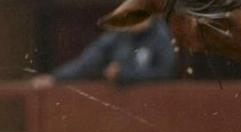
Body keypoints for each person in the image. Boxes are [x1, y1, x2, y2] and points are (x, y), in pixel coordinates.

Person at [32, 18, 177, 87]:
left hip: (155, 105)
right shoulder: (118, 36)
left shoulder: (160, 37)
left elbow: (165, 72)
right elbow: (87, 62)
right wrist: (57, 77)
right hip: (121, 104)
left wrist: (123, 74)